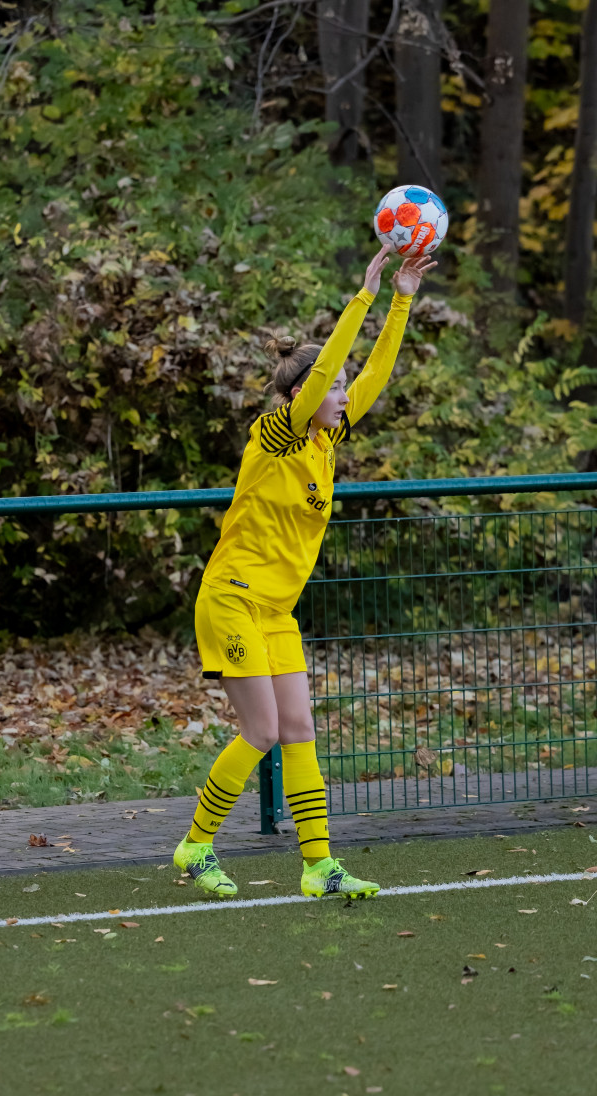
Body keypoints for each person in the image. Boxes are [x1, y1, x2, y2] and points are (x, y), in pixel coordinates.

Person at [174, 244, 436, 898]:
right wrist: (366, 293)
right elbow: (329, 377)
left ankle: (319, 865)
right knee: (260, 730)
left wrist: (403, 297)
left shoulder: (323, 440)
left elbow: (373, 373)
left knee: (299, 729)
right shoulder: (277, 434)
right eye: (332, 386)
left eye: (342, 388)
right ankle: (195, 845)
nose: (345, 395)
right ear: (302, 394)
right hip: (232, 598)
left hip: (274, 612)